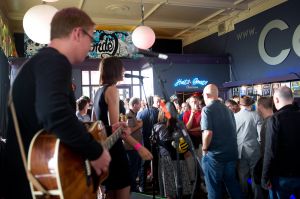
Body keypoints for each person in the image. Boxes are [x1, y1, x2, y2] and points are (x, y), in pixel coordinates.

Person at [0, 8, 112, 199]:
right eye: (91, 39)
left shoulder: (41, 62)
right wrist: (95, 152)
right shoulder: (54, 61)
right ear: (77, 33)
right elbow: (54, 114)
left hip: (37, 177)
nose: (90, 46)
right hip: (33, 184)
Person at [93, 57, 153, 199]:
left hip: (104, 149)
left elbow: (95, 124)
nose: (124, 70)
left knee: (111, 192)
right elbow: (117, 130)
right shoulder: (112, 90)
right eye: (122, 67)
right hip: (114, 150)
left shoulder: (98, 91)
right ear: (115, 70)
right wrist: (139, 147)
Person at [201, 84, 243, 199]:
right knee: (232, 184)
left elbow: (208, 133)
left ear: (206, 95)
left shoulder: (207, 109)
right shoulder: (228, 110)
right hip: (231, 154)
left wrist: (204, 149)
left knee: (213, 188)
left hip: (215, 157)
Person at [262, 86, 300, 198]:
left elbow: (270, 151)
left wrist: (265, 177)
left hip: (281, 176)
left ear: (276, 100)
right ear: (292, 98)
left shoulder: (274, 119)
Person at [154, 108, 192, 199]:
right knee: (175, 187)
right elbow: (167, 143)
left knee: (172, 188)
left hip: (171, 158)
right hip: (173, 158)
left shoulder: (160, 126)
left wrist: (184, 149)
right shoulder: (161, 126)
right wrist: (185, 150)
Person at [235, 96, 263, 199]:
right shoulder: (256, 115)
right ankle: (257, 196)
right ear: (251, 105)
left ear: (240, 105)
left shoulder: (235, 116)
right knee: (255, 175)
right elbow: (260, 136)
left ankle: (244, 196)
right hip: (253, 149)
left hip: (239, 150)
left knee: (242, 176)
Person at [124, 97, 143, 192]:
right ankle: (132, 190)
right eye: (139, 104)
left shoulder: (134, 114)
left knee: (136, 169)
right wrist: (138, 126)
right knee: (133, 170)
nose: (141, 105)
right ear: (134, 105)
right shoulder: (129, 115)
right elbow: (128, 131)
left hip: (135, 147)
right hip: (131, 148)